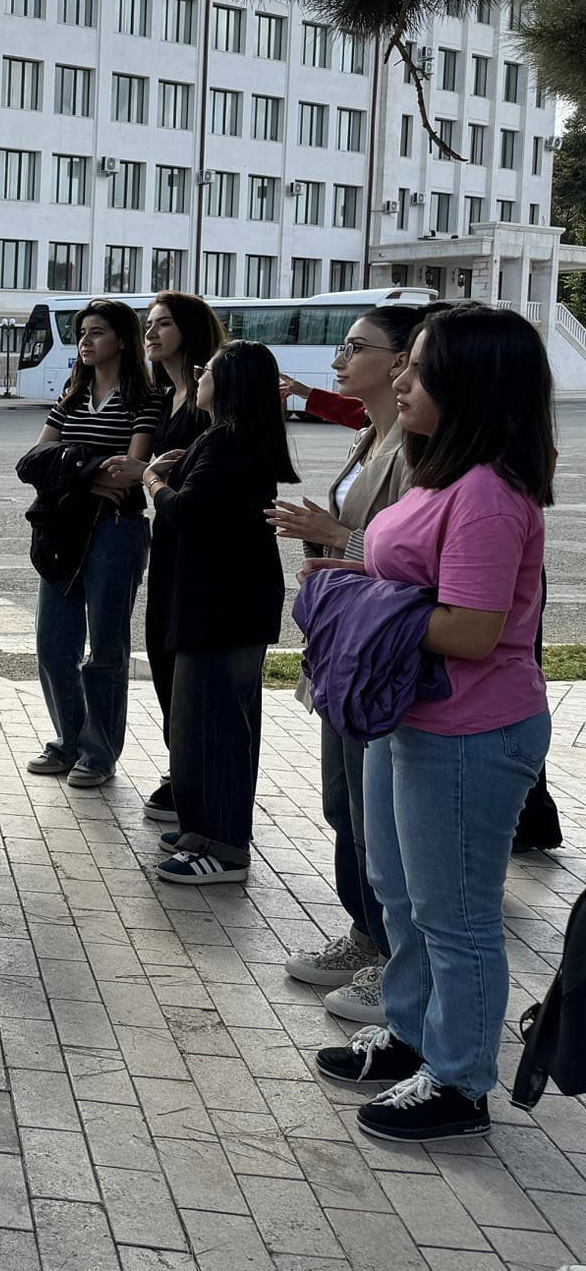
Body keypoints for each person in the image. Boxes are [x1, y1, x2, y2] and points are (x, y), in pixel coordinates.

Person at [312, 305, 556, 1143]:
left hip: (469, 730)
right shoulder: (439, 472)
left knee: (456, 914)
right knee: (403, 895)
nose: (403, 379)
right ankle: (414, 1033)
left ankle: (458, 1081)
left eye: (420, 366)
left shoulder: (487, 492)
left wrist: (364, 606)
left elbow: (472, 628)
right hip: (411, 715)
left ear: (473, 383)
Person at [268, 305, 420, 1015]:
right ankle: (365, 932)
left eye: (355, 346)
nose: (339, 356)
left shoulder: (420, 449)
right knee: (343, 802)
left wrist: (337, 536)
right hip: (342, 640)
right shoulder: (373, 435)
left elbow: (418, 563)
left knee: (376, 816)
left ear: (400, 361)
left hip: (373, 650)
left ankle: (391, 953)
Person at [140, 340, 297, 885]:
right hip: (218, 601)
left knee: (218, 725)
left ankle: (224, 846)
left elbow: (188, 513)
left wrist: (153, 482)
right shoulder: (224, 440)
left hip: (225, 606)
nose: (199, 374)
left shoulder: (230, 444)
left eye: (209, 370)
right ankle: (200, 829)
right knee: (197, 722)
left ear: (227, 385)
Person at [26, 299, 159, 787]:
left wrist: (69, 467)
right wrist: (85, 474)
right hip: (63, 531)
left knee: (106, 647)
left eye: (97, 332)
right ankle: (68, 739)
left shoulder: (145, 399)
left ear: (122, 339)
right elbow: (36, 459)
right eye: (82, 332)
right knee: (52, 642)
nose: (85, 341)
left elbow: (127, 475)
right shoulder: (71, 393)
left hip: (115, 531)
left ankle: (99, 753)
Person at [138, 292, 227, 824]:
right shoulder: (165, 395)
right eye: (148, 325)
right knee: (161, 651)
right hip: (168, 539)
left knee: (187, 659)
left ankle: (193, 774)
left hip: (198, 542)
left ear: (189, 330)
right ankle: (181, 764)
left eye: (163, 324)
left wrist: (151, 474)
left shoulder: (206, 397)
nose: (150, 334)